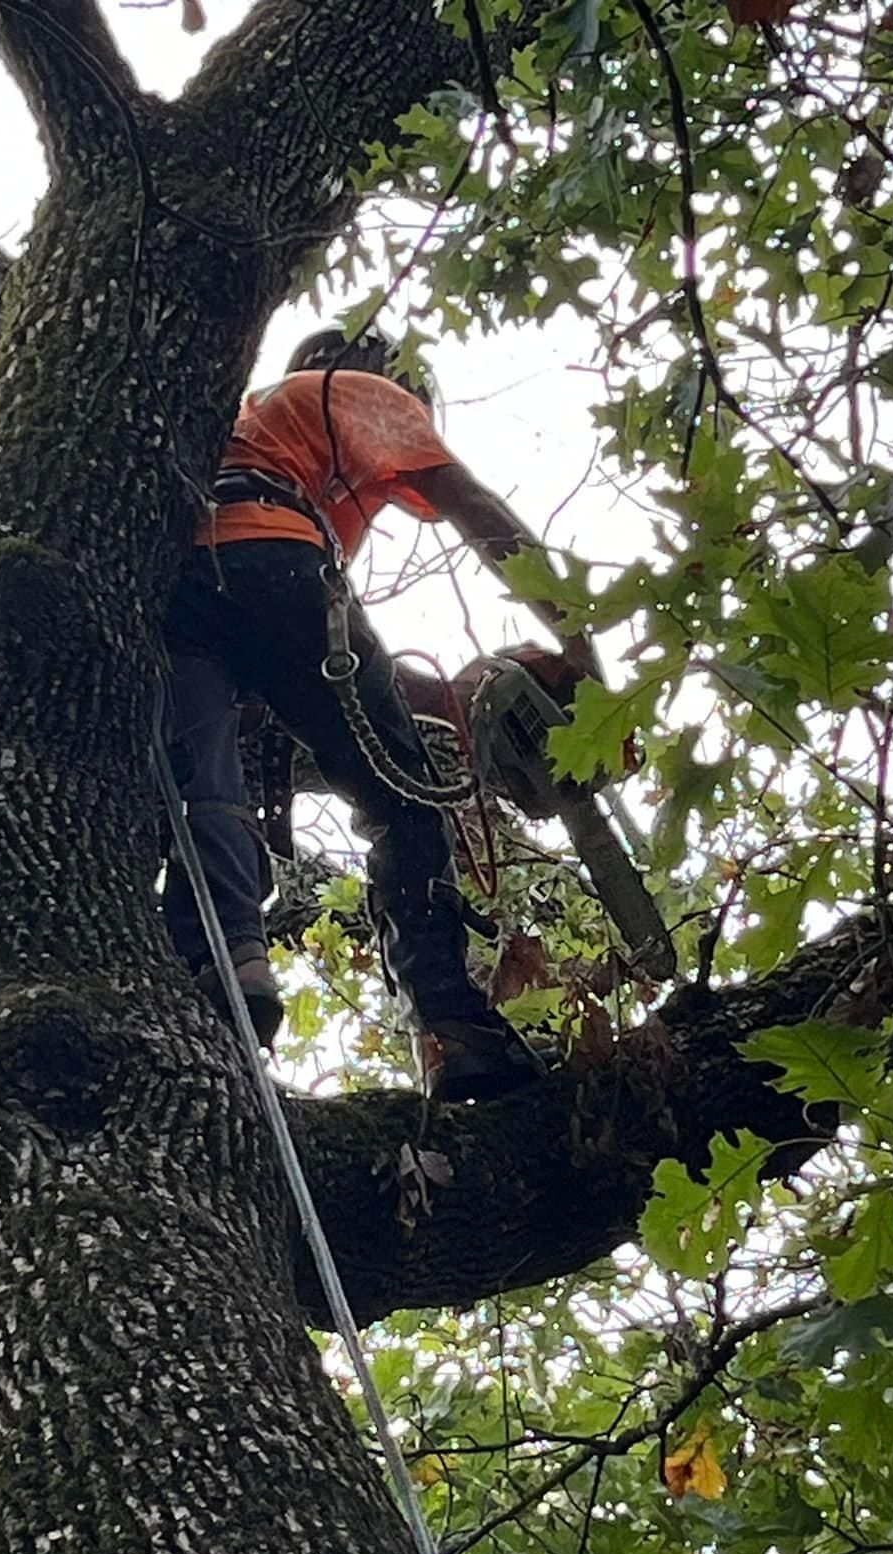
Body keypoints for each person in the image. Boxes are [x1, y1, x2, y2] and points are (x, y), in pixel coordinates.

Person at [161, 326, 595, 1103]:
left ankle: (225, 958)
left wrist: (447, 700)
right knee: (402, 797)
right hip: (275, 561)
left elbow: (312, 676)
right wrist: (580, 645)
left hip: (181, 590)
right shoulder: (352, 389)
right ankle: (451, 1023)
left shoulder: (253, 426)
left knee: (207, 787)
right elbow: (475, 508)